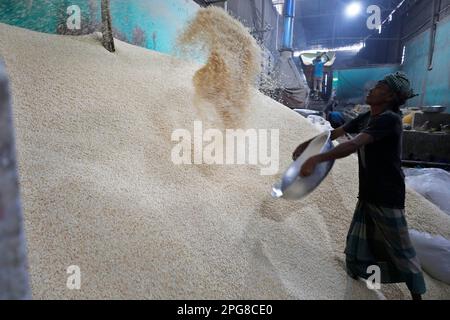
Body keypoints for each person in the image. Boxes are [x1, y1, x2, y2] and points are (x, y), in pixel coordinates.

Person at [293, 72, 424, 300]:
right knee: (356, 246)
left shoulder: (389, 119)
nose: (372, 89)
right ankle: (357, 287)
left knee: (401, 250)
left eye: (380, 86)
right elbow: (335, 133)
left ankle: (417, 296)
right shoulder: (367, 116)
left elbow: (353, 144)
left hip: (387, 195)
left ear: (390, 96)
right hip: (368, 193)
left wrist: (315, 159)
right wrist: (307, 145)